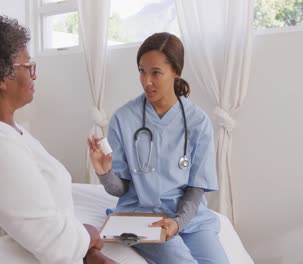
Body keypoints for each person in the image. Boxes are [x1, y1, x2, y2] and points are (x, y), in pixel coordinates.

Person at [0, 15, 114, 264]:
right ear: (3, 76)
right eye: (28, 66)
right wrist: (88, 234)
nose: (34, 75)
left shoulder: (7, 130)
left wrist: (87, 249)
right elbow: (56, 244)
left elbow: (42, 213)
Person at [87, 32, 229, 264]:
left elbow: (196, 187)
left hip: (189, 218)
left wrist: (178, 222)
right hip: (141, 216)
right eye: (142, 71)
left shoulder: (197, 121)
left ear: (175, 71)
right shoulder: (123, 118)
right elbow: (120, 189)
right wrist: (104, 173)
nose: (146, 81)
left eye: (155, 73)